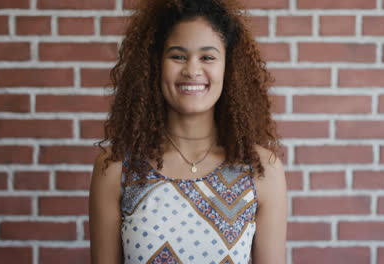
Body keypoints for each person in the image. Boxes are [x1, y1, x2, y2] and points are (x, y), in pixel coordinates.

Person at [88, 0, 287, 263]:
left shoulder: (260, 169)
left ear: (229, 69)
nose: (192, 70)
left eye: (207, 57)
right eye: (178, 56)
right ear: (155, 65)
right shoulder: (116, 168)